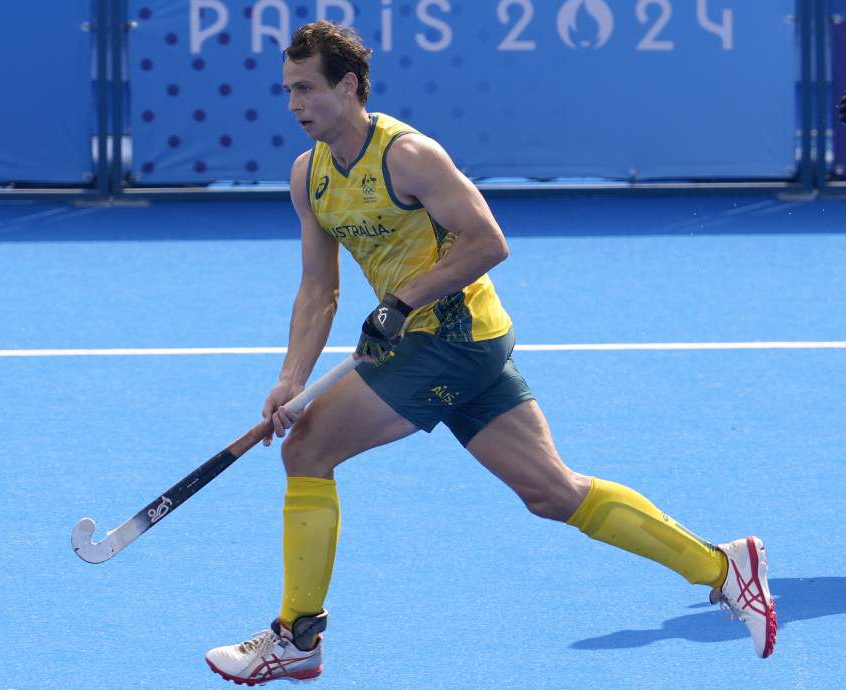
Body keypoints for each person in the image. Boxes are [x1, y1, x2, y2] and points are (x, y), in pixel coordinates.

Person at [204, 21, 776, 685]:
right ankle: (723, 566)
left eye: (306, 89)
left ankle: (298, 635)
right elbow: (318, 288)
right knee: (552, 492)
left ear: (349, 85)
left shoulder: (409, 157)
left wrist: (404, 299)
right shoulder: (310, 177)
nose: (294, 105)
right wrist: (289, 378)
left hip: (450, 337)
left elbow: (489, 242)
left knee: (307, 450)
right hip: (453, 343)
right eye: (287, 91)